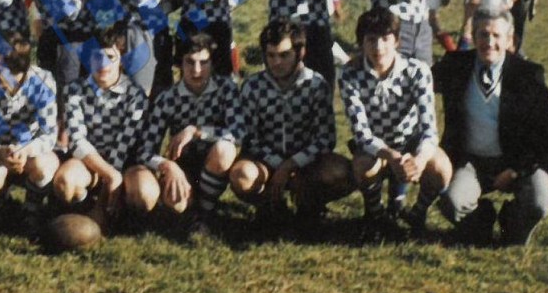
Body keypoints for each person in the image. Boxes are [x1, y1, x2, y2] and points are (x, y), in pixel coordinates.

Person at [433, 9, 548, 245]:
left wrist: (515, 170)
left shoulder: (528, 74)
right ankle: (482, 220)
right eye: (483, 34)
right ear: (473, 36)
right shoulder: (456, 65)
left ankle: (510, 222)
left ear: (510, 40)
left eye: (496, 36)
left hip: (517, 161)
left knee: (539, 204)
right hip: (471, 162)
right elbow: (418, 79)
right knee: (452, 202)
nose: (489, 42)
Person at [338, 7, 452, 240]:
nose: (379, 47)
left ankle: (416, 214)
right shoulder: (350, 74)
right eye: (371, 40)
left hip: (411, 144)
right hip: (376, 149)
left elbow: (430, 129)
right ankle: (376, 215)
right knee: (362, 165)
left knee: (441, 168)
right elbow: (361, 133)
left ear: (397, 41)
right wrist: (390, 155)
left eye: (386, 39)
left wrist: (419, 160)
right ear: (361, 43)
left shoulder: (417, 71)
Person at [228, 20, 351, 231]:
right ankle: (269, 205)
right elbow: (250, 137)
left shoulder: (316, 84)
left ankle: (311, 204)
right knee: (242, 176)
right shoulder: (252, 86)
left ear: (300, 53)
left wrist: (293, 164)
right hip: (265, 162)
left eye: (284, 55)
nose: (277, 62)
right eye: (271, 55)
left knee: (342, 172)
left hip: (306, 163)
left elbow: (326, 138)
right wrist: (278, 165)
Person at [125, 32, 238, 235]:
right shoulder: (168, 98)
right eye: (190, 62)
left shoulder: (226, 89)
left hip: (214, 161)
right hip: (183, 166)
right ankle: (191, 210)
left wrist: (196, 132)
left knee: (225, 149)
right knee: (176, 204)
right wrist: (167, 165)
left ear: (212, 63)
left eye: (203, 63)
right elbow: (145, 151)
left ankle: (206, 211)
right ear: (180, 64)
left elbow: (238, 131)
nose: (197, 70)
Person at [52, 27, 149, 226]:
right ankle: (85, 209)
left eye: (110, 57)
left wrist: (111, 181)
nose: (103, 64)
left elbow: (123, 145)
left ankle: (121, 216)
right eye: (97, 57)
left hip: (123, 165)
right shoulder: (74, 90)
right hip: (89, 161)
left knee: (144, 193)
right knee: (65, 181)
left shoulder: (135, 94)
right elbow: (77, 140)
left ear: (121, 59)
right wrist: (108, 174)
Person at [0, 31, 60, 234]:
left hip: (31, 150)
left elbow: (49, 135)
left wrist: (25, 150)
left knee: (43, 167)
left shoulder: (43, 80)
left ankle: (32, 210)